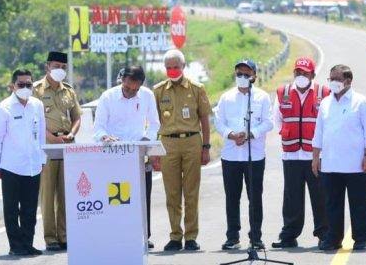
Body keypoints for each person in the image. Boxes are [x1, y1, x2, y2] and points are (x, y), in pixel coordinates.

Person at [92, 66, 160, 249]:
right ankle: (117, 234)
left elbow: (154, 124)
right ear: (122, 80)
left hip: (139, 156)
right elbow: (98, 127)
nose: (130, 92)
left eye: (135, 89)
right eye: (127, 88)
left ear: (141, 85)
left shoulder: (147, 95)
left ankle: (144, 236)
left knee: (142, 197)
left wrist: (146, 141)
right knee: (117, 198)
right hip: (114, 156)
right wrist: (104, 136)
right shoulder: (107, 97)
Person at [312, 64, 366, 251]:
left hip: (355, 165)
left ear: (348, 81)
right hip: (331, 164)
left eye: (337, 79)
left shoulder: (361, 102)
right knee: (332, 205)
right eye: (330, 78)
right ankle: (333, 238)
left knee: (358, 205)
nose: (333, 82)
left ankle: (360, 238)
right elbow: (319, 133)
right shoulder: (325, 103)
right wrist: (315, 158)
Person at [152, 49, 212, 252]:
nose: (172, 70)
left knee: (191, 192)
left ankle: (191, 236)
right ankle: (175, 236)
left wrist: (206, 147)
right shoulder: (158, 90)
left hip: (191, 142)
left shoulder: (196, 88)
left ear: (183, 66)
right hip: (168, 144)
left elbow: (204, 118)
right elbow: (153, 123)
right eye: (168, 67)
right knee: (172, 193)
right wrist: (154, 152)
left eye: (175, 66)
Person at [215, 59, 273, 250]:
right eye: (238, 74)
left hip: (254, 155)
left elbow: (268, 122)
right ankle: (232, 236)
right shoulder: (226, 98)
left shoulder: (262, 97)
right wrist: (231, 135)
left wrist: (250, 134)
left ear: (254, 76)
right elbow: (219, 122)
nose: (242, 77)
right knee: (232, 198)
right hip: (230, 155)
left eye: (246, 74)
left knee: (255, 197)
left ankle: (255, 237)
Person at [272, 57, 329, 249]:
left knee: (320, 196)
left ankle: (324, 234)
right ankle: (288, 235)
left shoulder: (324, 93)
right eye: (298, 72)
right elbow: (277, 120)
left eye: (305, 73)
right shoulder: (283, 93)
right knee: (291, 197)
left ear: (312, 74)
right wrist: (288, 134)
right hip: (291, 155)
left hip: (315, 157)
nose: (301, 76)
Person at [0, 68, 46, 256]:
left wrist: (42, 159)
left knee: (30, 209)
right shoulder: (3, 108)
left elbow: (41, 137)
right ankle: (15, 246)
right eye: (21, 84)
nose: (25, 88)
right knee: (12, 209)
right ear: (13, 86)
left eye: (28, 84)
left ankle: (27, 244)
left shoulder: (37, 105)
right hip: (10, 167)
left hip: (33, 166)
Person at [32, 51, 82, 252]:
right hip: (47, 146)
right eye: (56, 66)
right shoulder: (37, 90)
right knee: (48, 193)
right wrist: (50, 137)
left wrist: (71, 133)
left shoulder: (69, 91)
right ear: (47, 67)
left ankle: (64, 235)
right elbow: (33, 121)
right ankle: (50, 237)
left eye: (63, 67)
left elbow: (77, 117)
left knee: (66, 193)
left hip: (67, 145)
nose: (59, 70)